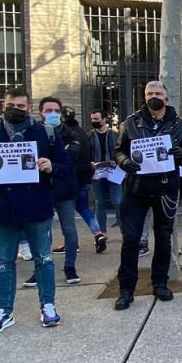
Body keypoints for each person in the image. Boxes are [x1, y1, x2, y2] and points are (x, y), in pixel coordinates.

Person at [0, 87, 73, 334]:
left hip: (37, 207)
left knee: (44, 259)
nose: (16, 110)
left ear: (29, 108)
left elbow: (66, 165)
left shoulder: (45, 133)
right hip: (2, 209)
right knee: (3, 262)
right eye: (11, 105)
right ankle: (4, 310)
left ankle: (48, 305)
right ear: (3, 105)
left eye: (21, 106)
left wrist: (51, 166)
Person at [112, 81, 182, 311]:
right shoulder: (131, 122)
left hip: (165, 189)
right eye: (150, 93)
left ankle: (160, 282)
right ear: (144, 97)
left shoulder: (179, 126)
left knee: (163, 238)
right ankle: (126, 289)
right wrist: (124, 162)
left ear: (166, 98)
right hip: (136, 189)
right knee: (130, 240)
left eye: (158, 93)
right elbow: (118, 150)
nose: (154, 96)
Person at [37, 97, 86, 285]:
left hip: (65, 189)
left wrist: (51, 162)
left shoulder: (71, 133)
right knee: (42, 231)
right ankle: (41, 266)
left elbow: (71, 156)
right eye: (48, 110)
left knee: (69, 230)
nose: (53, 114)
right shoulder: (35, 133)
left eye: (56, 110)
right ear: (41, 112)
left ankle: (70, 266)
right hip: (42, 189)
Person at [61, 107, 104, 254]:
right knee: (84, 207)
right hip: (85, 176)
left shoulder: (65, 133)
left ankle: (71, 243)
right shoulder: (82, 132)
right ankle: (98, 233)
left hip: (71, 178)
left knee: (67, 210)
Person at [88, 110, 120, 235]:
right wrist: (90, 162)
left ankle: (124, 230)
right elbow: (87, 152)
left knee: (117, 201)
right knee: (99, 202)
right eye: (92, 119)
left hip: (114, 172)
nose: (94, 122)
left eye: (96, 119)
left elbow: (121, 151)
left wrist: (117, 161)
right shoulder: (89, 136)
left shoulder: (115, 135)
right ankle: (101, 232)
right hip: (97, 173)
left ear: (104, 119)